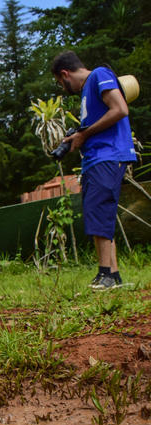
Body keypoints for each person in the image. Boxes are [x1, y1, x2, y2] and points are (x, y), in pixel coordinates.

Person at [52, 50, 137, 289]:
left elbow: (120, 109)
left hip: (108, 155)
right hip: (96, 158)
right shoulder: (88, 91)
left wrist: (84, 134)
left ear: (65, 74)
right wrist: (79, 135)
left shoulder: (100, 75)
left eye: (61, 82)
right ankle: (114, 275)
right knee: (100, 212)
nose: (63, 87)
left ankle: (105, 274)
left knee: (99, 210)